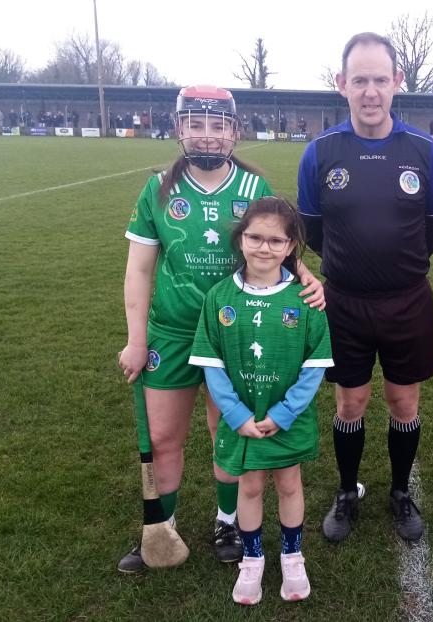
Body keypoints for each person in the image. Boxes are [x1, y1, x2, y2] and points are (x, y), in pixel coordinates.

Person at [117, 85, 325, 574]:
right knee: (163, 437)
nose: (206, 135)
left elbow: (277, 243)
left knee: (227, 431)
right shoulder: (158, 189)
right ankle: (161, 530)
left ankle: (226, 522)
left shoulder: (253, 187)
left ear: (234, 131)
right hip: (171, 332)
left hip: (235, 333)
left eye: (217, 125)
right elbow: (139, 270)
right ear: (178, 128)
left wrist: (305, 273)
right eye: (195, 124)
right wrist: (136, 339)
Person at [297, 32, 433, 543]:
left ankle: (401, 492)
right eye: (359, 80)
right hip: (344, 303)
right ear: (341, 83)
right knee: (350, 403)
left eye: (380, 80)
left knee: (404, 403)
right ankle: (347, 491)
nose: (370, 91)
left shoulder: (423, 151)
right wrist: (352, 266)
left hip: (407, 301)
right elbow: (312, 229)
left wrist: (396, 265)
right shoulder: (320, 153)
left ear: (397, 82)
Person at [190, 197, 333, 605]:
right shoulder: (219, 297)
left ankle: (292, 556)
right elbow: (212, 365)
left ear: (290, 247)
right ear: (240, 239)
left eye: (275, 240)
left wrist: (284, 413)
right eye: (255, 237)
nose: (264, 248)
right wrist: (236, 414)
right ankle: (252, 559)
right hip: (244, 420)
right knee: (249, 486)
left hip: (287, 418)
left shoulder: (306, 299)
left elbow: (314, 367)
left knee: (289, 483)